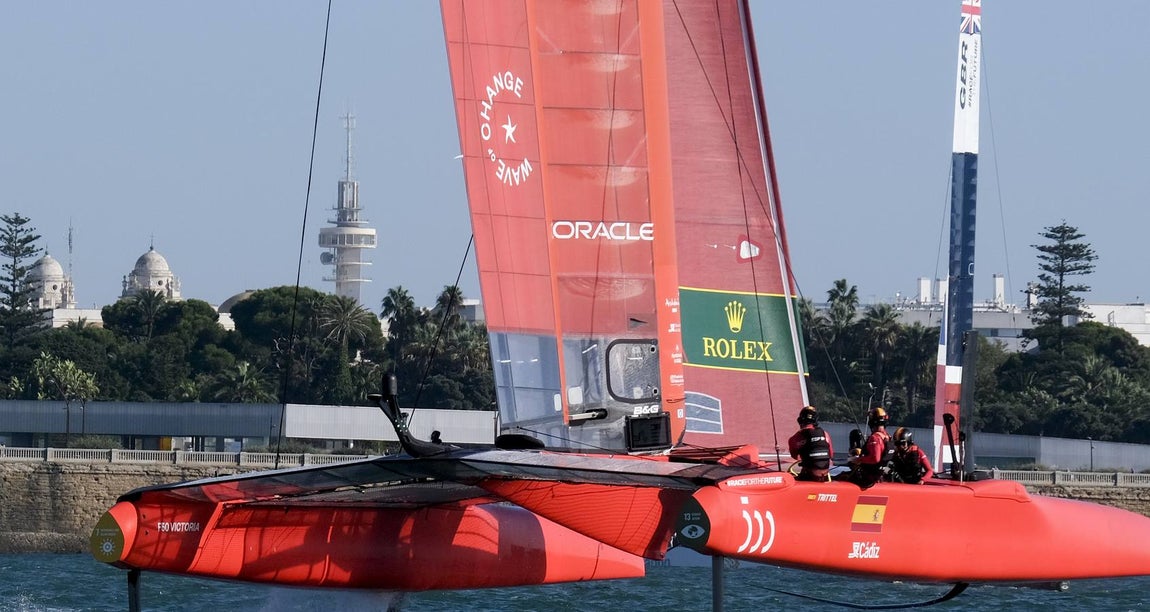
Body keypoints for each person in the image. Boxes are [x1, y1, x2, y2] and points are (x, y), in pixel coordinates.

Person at [850, 406, 894, 488]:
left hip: (867, 478)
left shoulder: (875, 437)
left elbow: (875, 459)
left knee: (842, 476)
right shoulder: (887, 436)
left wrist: (859, 460)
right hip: (878, 476)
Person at [787, 406, 833, 481]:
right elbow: (831, 455)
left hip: (808, 476)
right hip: (825, 476)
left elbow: (795, 456)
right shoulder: (825, 434)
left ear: (800, 420)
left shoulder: (794, 438)